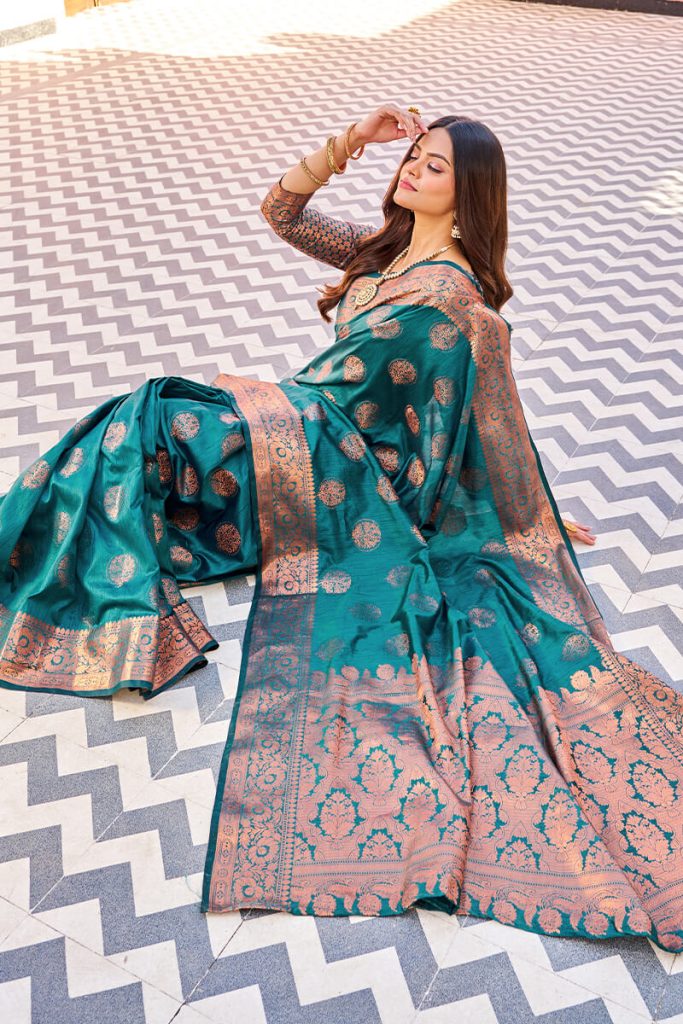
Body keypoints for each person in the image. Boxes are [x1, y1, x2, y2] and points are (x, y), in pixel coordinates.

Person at [0, 105, 681, 953]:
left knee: (140, 426)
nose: (413, 170)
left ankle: (85, 609)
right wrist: (350, 144)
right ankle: (89, 601)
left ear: (469, 195)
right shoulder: (385, 251)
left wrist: (528, 509)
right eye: (415, 156)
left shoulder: (456, 302)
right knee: (132, 428)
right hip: (291, 428)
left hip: (340, 481)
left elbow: (488, 413)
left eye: (434, 166)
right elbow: (281, 212)